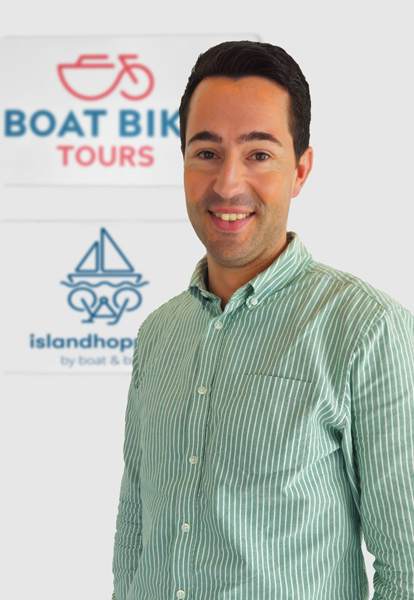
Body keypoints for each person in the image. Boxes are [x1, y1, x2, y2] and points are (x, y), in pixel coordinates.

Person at [112, 41, 414, 600]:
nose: (228, 184)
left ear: (300, 170)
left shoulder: (368, 330)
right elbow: (135, 528)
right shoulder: (158, 334)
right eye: (206, 152)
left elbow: (408, 565)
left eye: (258, 154)